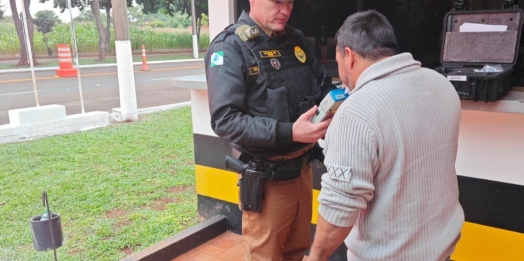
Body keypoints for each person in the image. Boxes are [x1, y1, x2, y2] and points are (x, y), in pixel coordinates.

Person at [308, 10, 464, 261]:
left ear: (348, 56)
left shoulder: (356, 111)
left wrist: (315, 258)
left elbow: (339, 208)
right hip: (441, 253)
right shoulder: (442, 85)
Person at [204, 0, 336, 260]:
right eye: (277, 1)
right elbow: (225, 119)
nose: (285, 10)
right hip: (269, 182)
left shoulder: (296, 41)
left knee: (297, 251)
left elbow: (320, 88)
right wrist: (289, 133)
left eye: (289, 2)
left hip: (303, 171)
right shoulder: (229, 47)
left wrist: (333, 107)